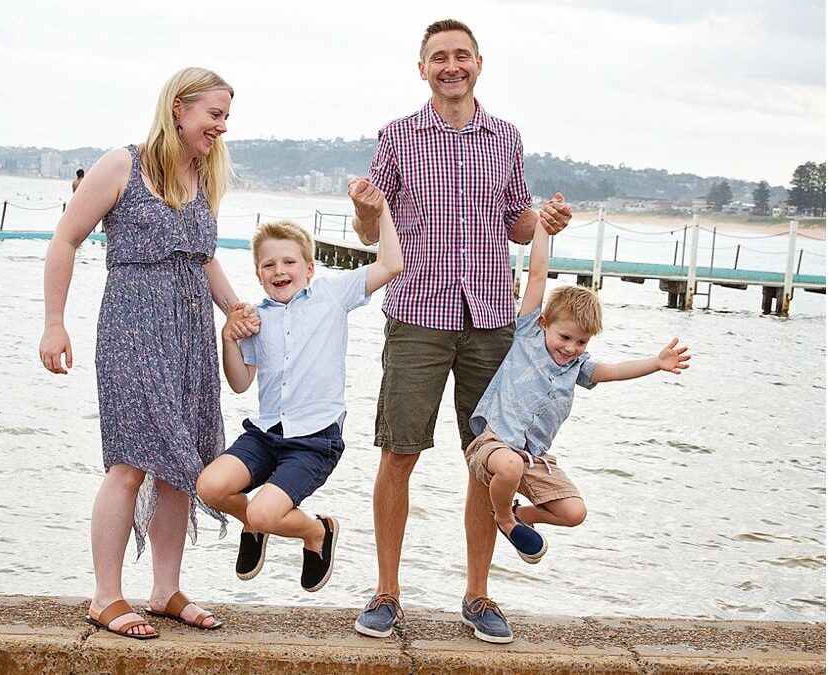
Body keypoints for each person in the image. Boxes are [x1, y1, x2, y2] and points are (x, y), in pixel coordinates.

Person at [348, 18, 574, 644]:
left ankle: (478, 596)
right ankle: (387, 593)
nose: (451, 66)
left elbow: (518, 225)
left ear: (480, 63)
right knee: (399, 453)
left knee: (489, 460)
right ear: (422, 69)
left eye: (461, 56)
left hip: (492, 323)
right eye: (438, 58)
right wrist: (367, 211)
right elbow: (373, 235)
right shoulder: (397, 136)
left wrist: (545, 218)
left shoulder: (505, 137)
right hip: (417, 315)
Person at [39, 67, 259, 640]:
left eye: (226, 117)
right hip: (133, 329)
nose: (221, 127)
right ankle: (105, 596)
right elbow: (65, 239)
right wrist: (54, 324)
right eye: (214, 114)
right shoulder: (123, 164)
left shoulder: (204, 173)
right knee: (130, 461)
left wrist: (235, 308)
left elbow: (203, 255)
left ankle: (165, 589)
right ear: (179, 108)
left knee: (182, 466)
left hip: (190, 334)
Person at [465, 224, 690, 638]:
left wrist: (655, 363)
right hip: (493, 443)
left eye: (581, 342)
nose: (570, 348)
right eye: (565, 337)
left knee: (574, 513)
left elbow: (612, 371)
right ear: (546, 323)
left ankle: (518, 515)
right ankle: (503, 520)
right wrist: (544, 231)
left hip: (536, 459)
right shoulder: (529, 333)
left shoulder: (578, 366)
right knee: (509, 467)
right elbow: (537, 275)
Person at [196, 182, 403, 594]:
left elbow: (391, 264)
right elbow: (239, 384)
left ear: (309, 268)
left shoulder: (332, 294)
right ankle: (254, 524)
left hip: (314, 440)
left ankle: (316, 533)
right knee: (210, 487)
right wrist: (228, 336)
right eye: (268, 266)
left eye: (289, 262)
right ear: (258, 273)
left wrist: (381, 210)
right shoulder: (255, 318)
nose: (279, 271)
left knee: (263, 513)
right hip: (265, 432)